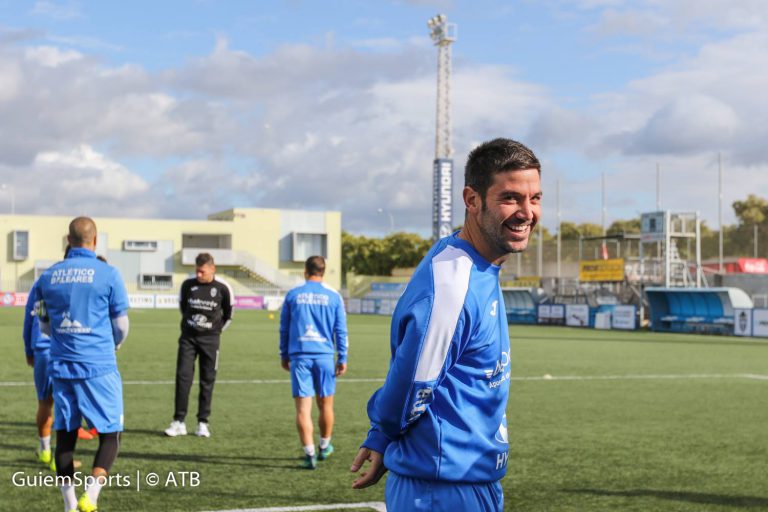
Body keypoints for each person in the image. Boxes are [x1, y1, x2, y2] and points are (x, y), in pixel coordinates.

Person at [350, 138, 542, 511]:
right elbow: (412, 385)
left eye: (534, 198)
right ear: (472, 200)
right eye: (511, 198)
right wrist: (384, 432)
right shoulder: (452, 284)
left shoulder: (480, 264)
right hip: (441, 490)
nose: (526, 211)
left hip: (469, 481)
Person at [32, 217, 130, 512]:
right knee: (111, 433)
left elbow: (44, 325)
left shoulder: (47, 277)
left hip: (62, 366)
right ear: (95, 240)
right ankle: (92, 495)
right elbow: (122, 325)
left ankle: (70, 504)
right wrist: (113, 343)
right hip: (99, 365)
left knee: (66, 435)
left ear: (68, 240)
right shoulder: (109, 274)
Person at [279, 255, 349, 469]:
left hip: (300, 357)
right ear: (323, 271)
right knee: (326, 405)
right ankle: (324, 446)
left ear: (305, 271)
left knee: (303, 409)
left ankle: (309, 453)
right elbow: (341, 330)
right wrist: (342, 356)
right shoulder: (333, 297)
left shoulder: (293, 295)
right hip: (325, 357)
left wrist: (284, 354)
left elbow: (284, 328)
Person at [165, 252, 233, 438]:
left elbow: (228, 315)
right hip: (188, 339)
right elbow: (183, 308)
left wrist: (214, 332)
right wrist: (192, 326)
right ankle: (179, 421)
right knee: (183, 378)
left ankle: (202, 423)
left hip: (211, 341)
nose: (198, 275)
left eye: (202, 271)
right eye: (196, 271)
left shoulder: (223, 288)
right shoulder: (188, 285)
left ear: (213, 269)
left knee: (207, 381)